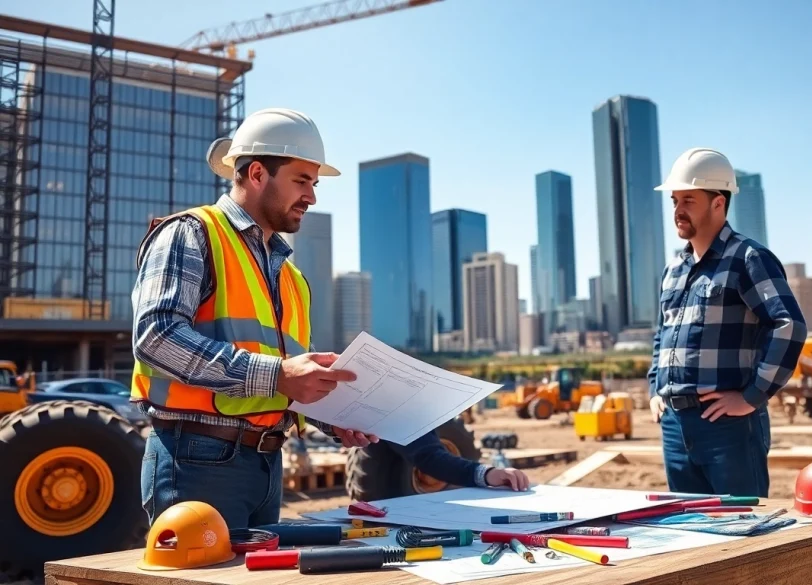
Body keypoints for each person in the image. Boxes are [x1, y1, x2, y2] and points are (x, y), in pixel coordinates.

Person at [131, 107, 528, 529]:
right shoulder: (191, 233)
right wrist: (278, 375)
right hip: (195, 459)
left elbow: (291, 380)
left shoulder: (290, 277)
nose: (312, 196)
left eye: (315, 183)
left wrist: (337, 418)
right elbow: (157, 337)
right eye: (301, 180)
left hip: (266, 462)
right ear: (258, 174)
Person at [647, 147, 807, 498]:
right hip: (674, 425)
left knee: (742, 532)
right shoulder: (673, 270)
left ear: (718, 203)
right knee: (691, 535)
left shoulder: (748, 259)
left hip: (727, 427)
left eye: (688, 200)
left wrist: (752, 396)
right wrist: (655, 389)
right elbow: (664, 334)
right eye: (674, 200)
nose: (677, 210)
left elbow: (788, 325)